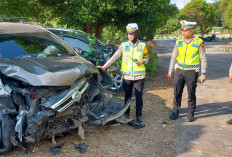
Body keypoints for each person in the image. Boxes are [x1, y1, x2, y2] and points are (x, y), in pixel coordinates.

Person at [96, 23, 149, 123]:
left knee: (139, 97)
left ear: (137, 33)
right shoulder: (124, 45)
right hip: (127, 76)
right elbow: (115, 56)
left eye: (132, 34)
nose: (130, 36)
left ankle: (138, 115)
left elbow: (147, 57)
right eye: (128, 33)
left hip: (139, 76)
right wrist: (105, 66)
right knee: (127, 96)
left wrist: (143, 61)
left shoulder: (143, 45)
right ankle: (126, 113)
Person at [167, 20, 207, 122]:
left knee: (191, 93)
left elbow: (203, 58)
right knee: (177, 92)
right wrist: (170, 70)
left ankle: (191, 113)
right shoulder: (178, 42)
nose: (183, 32)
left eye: (186, 30)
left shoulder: (198, 42)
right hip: (179, 71)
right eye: (182, 30)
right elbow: (173, 57)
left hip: (191, 72)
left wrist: (203, 73)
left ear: (192, 30)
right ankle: (175, 111)